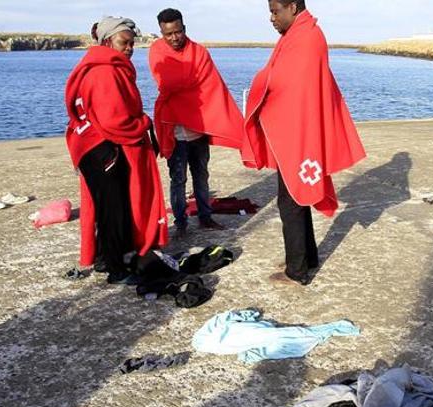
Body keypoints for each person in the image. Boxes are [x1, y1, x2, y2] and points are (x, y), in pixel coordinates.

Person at [241, 0, 366, 285]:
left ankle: (296, 272)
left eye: (275, 11)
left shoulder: (306, 37)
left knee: (291, 201)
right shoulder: (300, 34)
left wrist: (260, 85)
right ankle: (306, 257)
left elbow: (281, 80)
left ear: (293, 7)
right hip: (297, 129)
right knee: (296, 197)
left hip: (300, 133)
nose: (271, 18)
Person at [65, 16, 168, 283]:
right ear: (108, 41)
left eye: (132, 43)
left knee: (102, 207)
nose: (129, 48)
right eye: (125, 42)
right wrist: (143, 122)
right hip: (102, 149)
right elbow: (115, 120)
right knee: (115, 209)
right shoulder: (105, 71)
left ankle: (102, 258)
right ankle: (116, 268)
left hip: (87, 146)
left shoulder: (93, 66)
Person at [150, 8, 244, 238]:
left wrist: (183, 84)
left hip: (198, 128)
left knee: (201, 175)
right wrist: (189, 82)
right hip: (175, 130)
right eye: (168, 34)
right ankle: (181, 222)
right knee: (178, 178)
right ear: (162, 32)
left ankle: (205, 217)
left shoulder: (199, 52)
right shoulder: (156, 50)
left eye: (178, 32)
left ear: (184, 29)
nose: (174, 38)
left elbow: (210, 86)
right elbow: (166, 83)